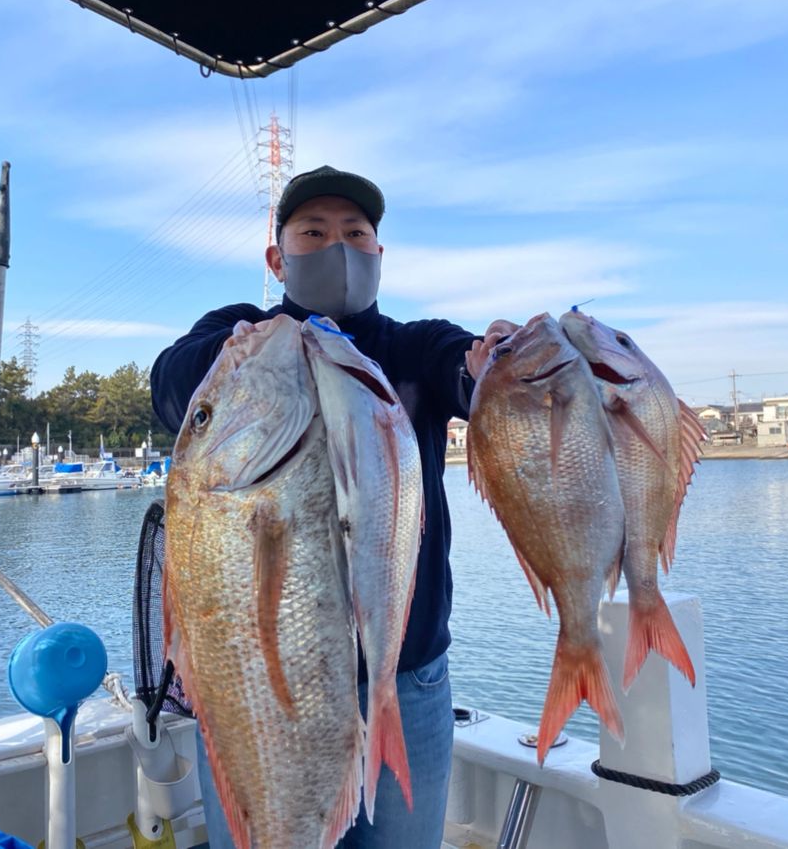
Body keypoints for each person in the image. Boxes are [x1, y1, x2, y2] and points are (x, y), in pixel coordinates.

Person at [150, 165, 515, 848]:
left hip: (405, 676)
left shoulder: (409, 346)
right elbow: (171, 390)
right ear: (277, 257)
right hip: (260, 680)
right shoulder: (242, 335)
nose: (337, 247)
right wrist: (237, 353)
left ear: (378, 253)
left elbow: (465, 378)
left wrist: (488, 364)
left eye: (355, 233)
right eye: (313, 232)